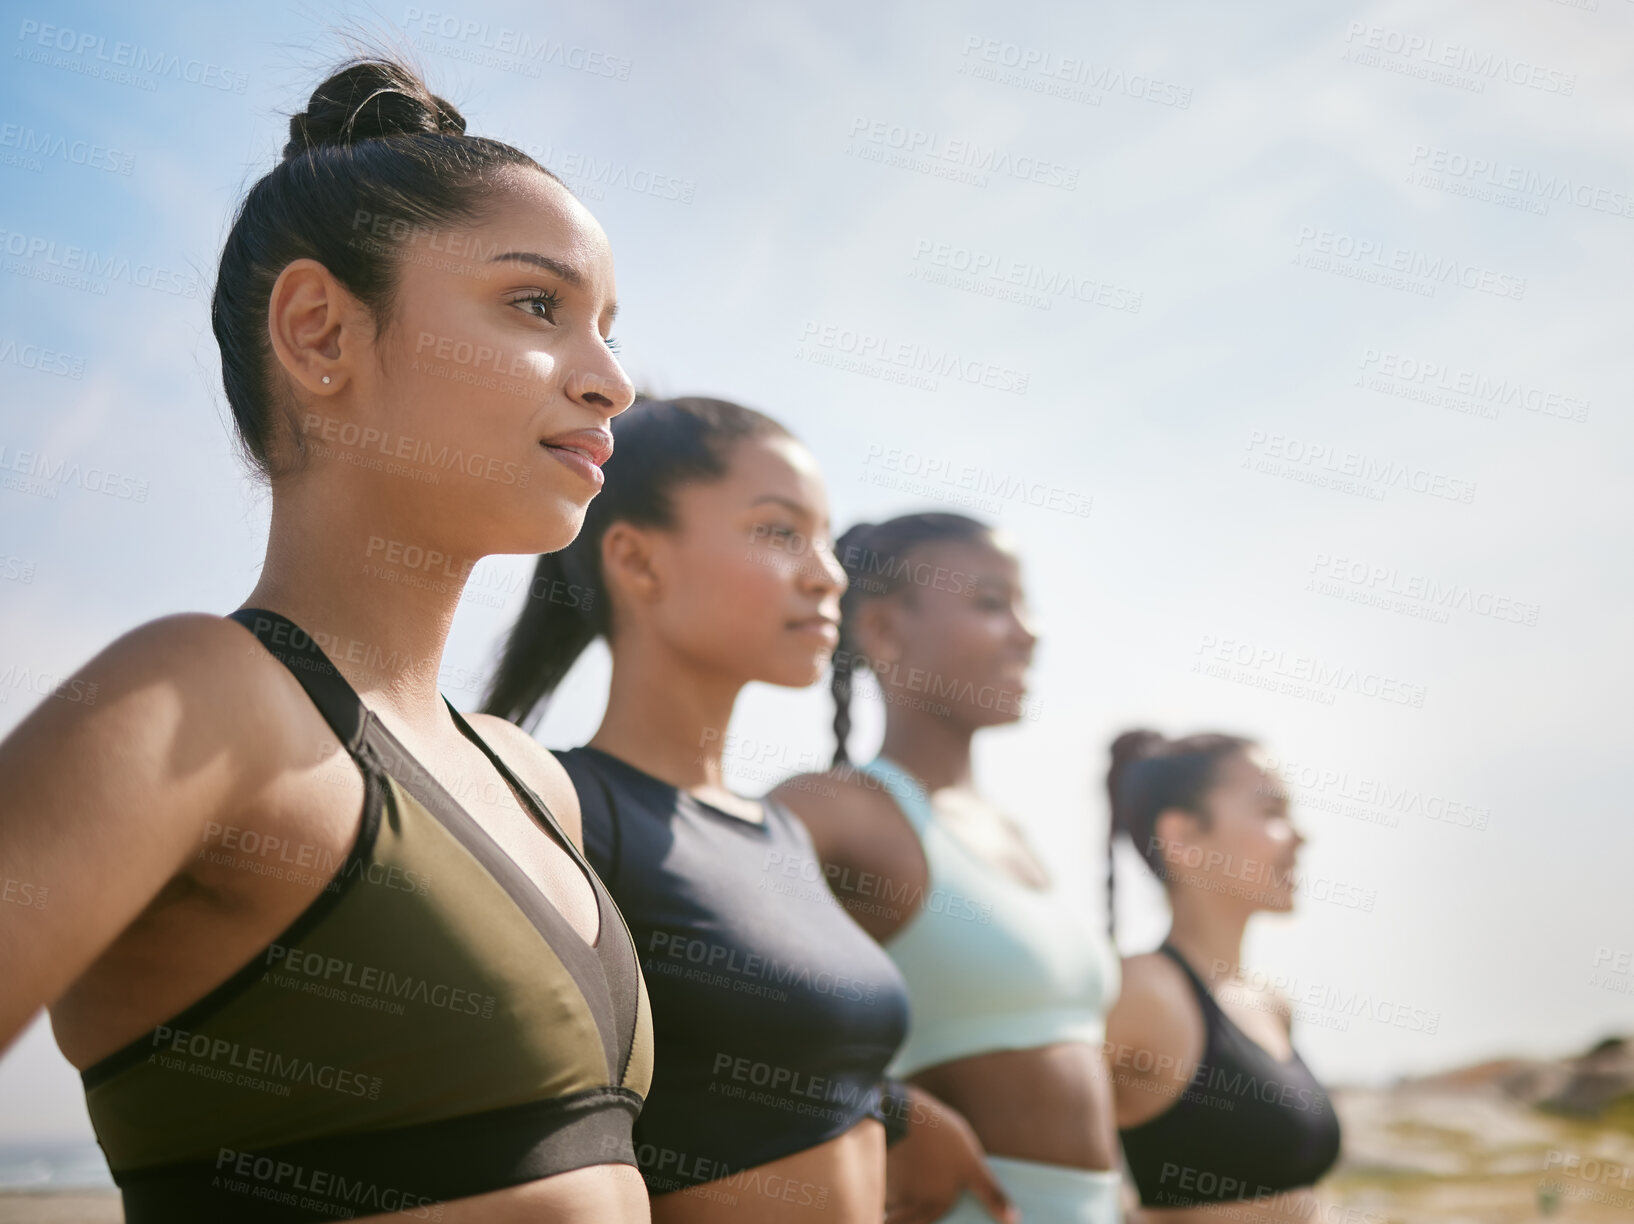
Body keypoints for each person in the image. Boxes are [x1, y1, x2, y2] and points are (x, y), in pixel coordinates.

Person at [0, 56, 655, 1223]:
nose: (612, 379)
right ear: (318, 333)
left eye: (607, 328)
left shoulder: (531, 780)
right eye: (536, 306)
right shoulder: (204, 700)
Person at [482, 397, 1004, 1224]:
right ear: (639, 562)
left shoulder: (782, 831)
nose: (827, 572)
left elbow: (742, 1045)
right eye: (778, 532)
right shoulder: (566, 811)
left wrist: (892, 1108)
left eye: (825, 538)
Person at [770, 512, 1121, 1223]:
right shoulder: (831, 812)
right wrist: (885, 1108)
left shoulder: (1011, 832)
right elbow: (694, 994)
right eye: (992, 603)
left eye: (1024, 604)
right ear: (882, 632)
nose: (1029, 631)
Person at [1103, 730, 1343, 1221]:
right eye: (1273, 812)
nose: (1301, 836)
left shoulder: (1272, 1004)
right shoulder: (1140, 992)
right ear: (1184, 837)